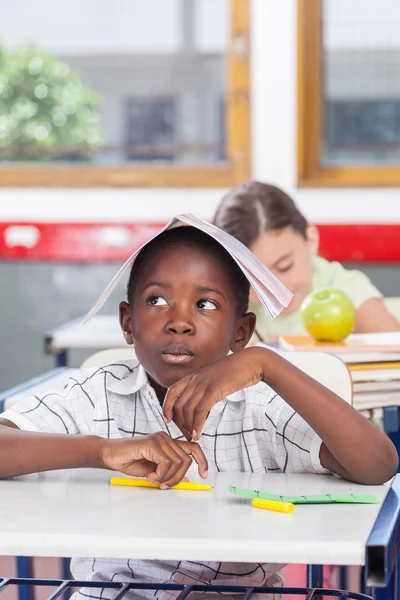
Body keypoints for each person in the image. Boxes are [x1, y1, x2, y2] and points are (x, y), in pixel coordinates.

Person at [0, 224, 397, 600]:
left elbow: (377, 464)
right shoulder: (98, 394)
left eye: (205, 304)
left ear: (240, 332)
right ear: (127, 322)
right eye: (157, 300)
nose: (179, 323)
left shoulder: (261, 408)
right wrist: (99, 451)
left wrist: (268, 364)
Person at [214, 181, 400, 341]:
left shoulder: (348, 291)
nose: (275, 290)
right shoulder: (226, 301)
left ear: (310, 240)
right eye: (254, 280)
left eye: (284, 267)